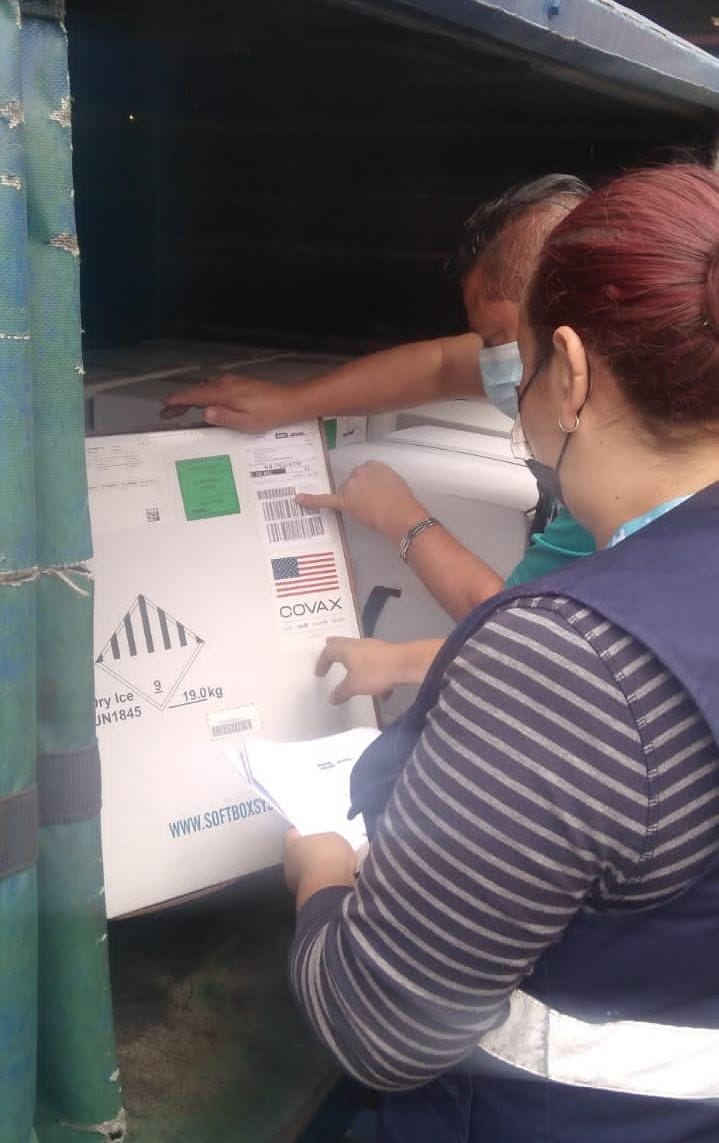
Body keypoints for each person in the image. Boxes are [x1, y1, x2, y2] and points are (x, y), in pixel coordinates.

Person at [282, 163, 719, 1142]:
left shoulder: (576, 658)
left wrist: (320, 873)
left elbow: (378, 1028)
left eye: (511, 363)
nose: (505, 392)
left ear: (567, 369)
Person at [164, 177, 595, 696]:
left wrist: (401, 519)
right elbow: (440, 366)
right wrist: (289, 403)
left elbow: (517, 636)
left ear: (568, 345)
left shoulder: (605, 488)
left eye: (499, 340)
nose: (491, 364)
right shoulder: (611, 385)